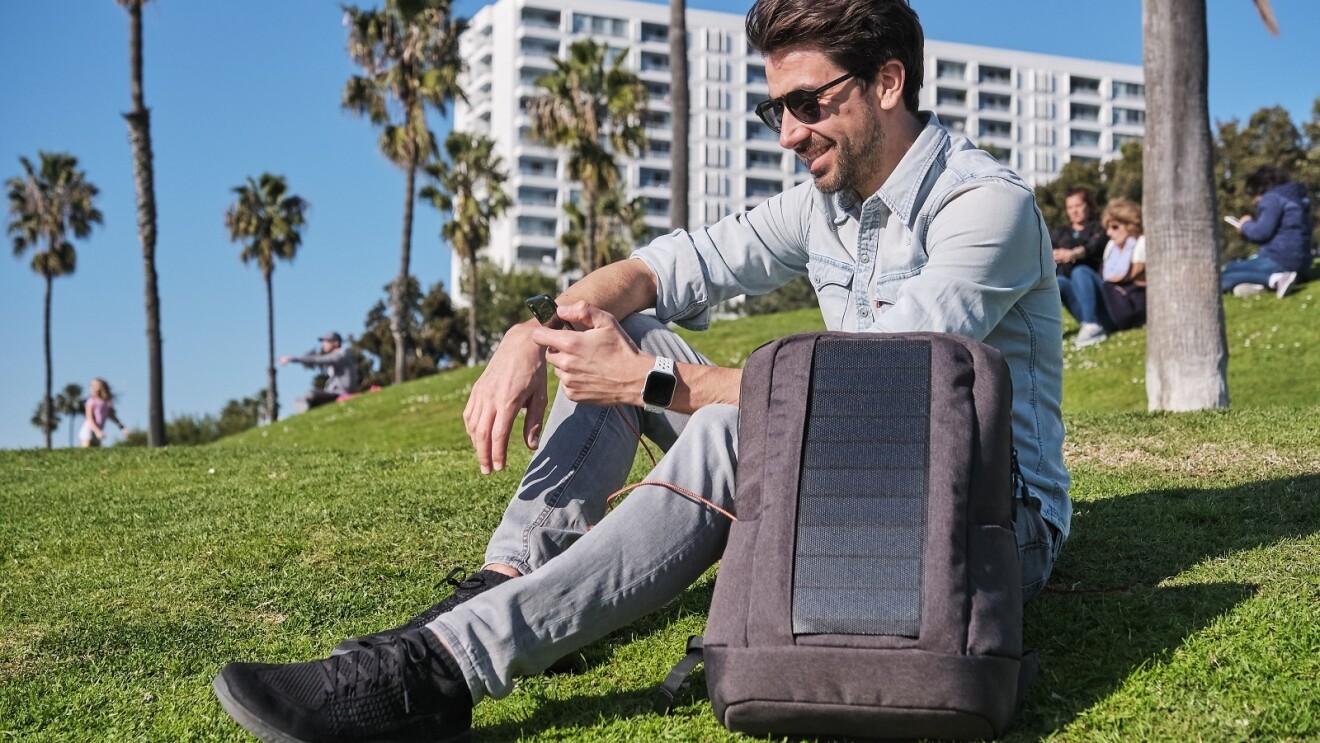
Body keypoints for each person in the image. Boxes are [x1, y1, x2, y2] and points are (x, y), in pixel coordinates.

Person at [212, 1, 1070, 740]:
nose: (789, 133)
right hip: (849, 481)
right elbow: (667, 266)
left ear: (888, 83)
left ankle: (437, 674)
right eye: (776, 109)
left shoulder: (982, 206)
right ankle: (510, 576)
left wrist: (649, 384)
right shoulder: (823, 204)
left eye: (809, 103)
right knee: (623, 322)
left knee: (735, 419)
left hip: (990, 519)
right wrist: (531, 329)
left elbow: (874, 385)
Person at [1057, 198, 1147, 348]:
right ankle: (1046, 332)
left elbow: (1137, 279)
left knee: (1081, 272)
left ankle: (1092, 326)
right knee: (1060, 282)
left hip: (1126, 309)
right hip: (1109, 309)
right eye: (1108, 228)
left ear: (1130, 225)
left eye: (1115, 227)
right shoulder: (1112, 248)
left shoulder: (1140, 244)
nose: (1109, 233)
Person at [1222, 165, 1314, 299]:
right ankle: (1261, 284)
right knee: (1233, 268)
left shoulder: (1272, 198)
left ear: (1260, 189)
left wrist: (1245, 225)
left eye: (1254, 196)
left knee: (1224, 275)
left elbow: (1261, 233)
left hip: (1279, 261)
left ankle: (1275, 279)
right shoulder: (1296, 198)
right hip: (1301, 266)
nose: (1255, 202)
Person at [278, 331, 359, 412]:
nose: (324, 344)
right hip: (334, 392)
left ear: (336, 343)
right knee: (299, 400)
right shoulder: (340, 355)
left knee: (310, 394)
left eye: (327, 341)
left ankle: (309, 407)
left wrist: (292, 358)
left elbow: (316, 359)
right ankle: (309, 406)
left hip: (341, 393)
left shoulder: (340, 356)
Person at [1051, 187, 1108, 279]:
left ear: (1088, 206)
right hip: (1062, 279)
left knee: (1079, 273)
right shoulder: (1060, 232)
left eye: (1078, 206)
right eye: (1070, 207)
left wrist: (1072, 254)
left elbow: (1093, 247)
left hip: (1088, 277)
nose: (1074, 211)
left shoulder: (1099, 229)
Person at [79, 378, 127, 448]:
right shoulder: (91, 402)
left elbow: (113, 417)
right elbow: (90, 418)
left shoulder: (107, 403)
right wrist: (97, 431)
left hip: (98, 431)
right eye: (91, 386)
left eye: (95, 386)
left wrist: (122, 428)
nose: (92, 388)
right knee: (86, 451)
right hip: (88, 430)